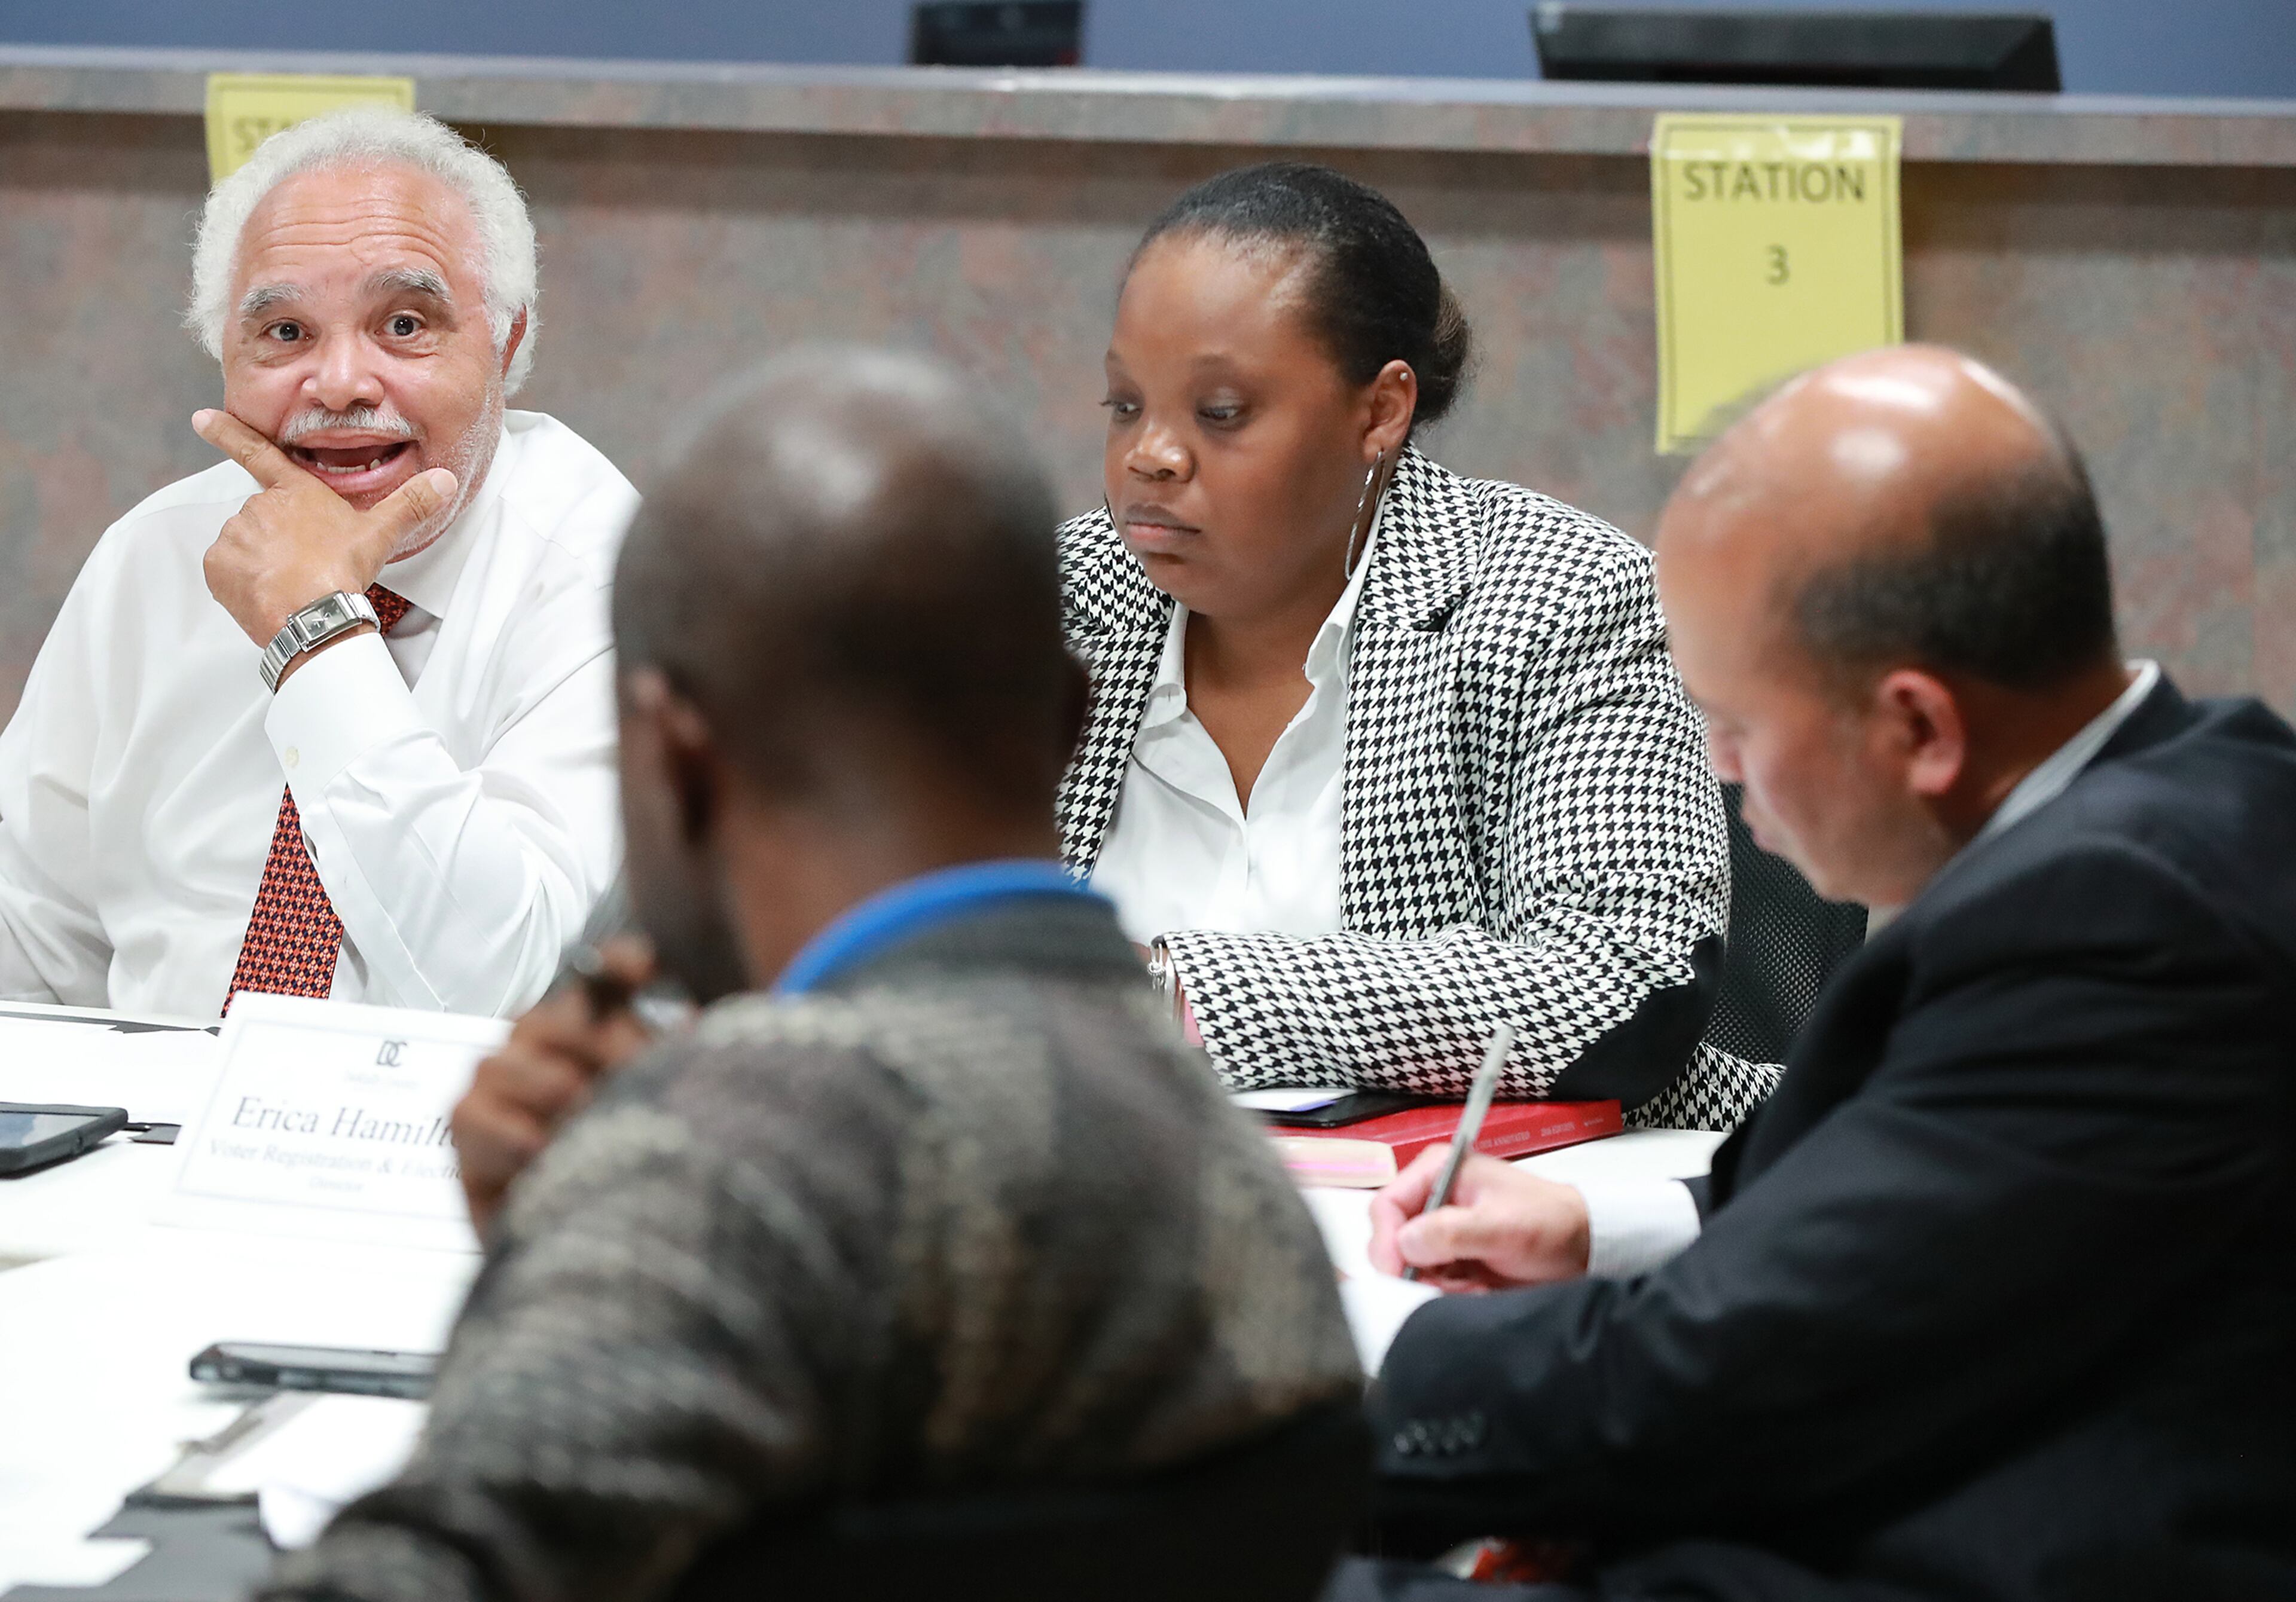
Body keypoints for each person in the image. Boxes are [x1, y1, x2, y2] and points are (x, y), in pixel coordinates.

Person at [263, 349, 1366, 1602]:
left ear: (676, 760)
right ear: (1065, 719)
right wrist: (564, 1255)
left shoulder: (718, 1168)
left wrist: (627, 1218)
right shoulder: (1238, 1176)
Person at [1349, 346, 2296, 1599]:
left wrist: (1343, 1386)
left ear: (1920, 727)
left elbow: (1731, 1368)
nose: (1727, 776)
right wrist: (1599, 1226)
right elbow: (1939, 1199)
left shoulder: (2123, 917)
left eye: (1736, 721)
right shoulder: (2212, 789)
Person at [1066, 162, 1766, 1129]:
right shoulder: (1040, 610)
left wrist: (1166, 995)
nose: (1152, 455)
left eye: (1219, 414)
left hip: (1508, 1215)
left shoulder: (1559, 596)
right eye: (1125, 406)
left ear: (1379, 412)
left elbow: (1622, 979)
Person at [0, 107, 633, 1017]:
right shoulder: (152, 555)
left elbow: (507, 983)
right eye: (287, 333)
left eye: (405, 324)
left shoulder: (600, 569)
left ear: (506, 341)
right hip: (149, 1136)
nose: (339, 385)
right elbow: (37, 939)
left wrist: (317, 632)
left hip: (448, 1147)